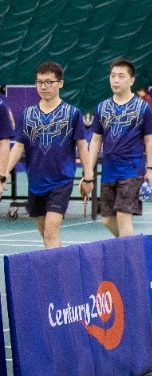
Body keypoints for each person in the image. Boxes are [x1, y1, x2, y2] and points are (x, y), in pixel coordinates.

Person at [1, 62, 93, 248]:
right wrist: (3, 175)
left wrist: (89, 177)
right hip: (35, 183)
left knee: (51, 233)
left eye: (49, 82)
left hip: (61, 181)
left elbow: (82, 147)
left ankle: (56, 268)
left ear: (60, 83)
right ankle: (60, 264)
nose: (43, 86)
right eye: (39, 82)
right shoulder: (28, 114)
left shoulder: (72, 113)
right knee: (46, 235)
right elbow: (18, 146)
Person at [87, 59, 152, 238]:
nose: (115, 80)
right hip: (109, 171)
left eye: (121, 76)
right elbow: (95, 140)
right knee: (107, 220)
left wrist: (151, 169)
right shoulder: (102, 108)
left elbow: (149, 140)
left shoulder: (142, 107)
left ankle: (128, 253)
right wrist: (88, 170)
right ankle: (131, 246)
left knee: (123, 217)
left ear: (131, 80)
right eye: (113, 76)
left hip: (132, 170)